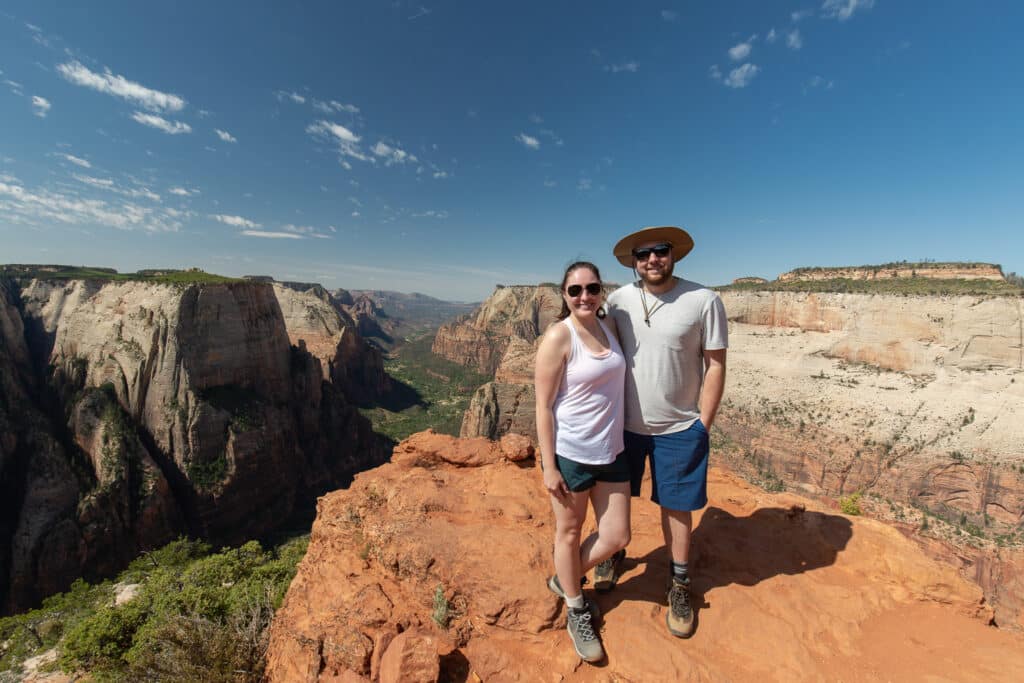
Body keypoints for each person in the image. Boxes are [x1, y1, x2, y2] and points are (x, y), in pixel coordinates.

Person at [603, 225, 728, 639]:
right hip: (623, 423)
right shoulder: (618, 300)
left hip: (679, 427)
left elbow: (716, 365)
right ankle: (612, 552)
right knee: (613, 496)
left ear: (673, 254)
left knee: (677, 506)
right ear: (633, 260)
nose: (652, 259)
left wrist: (702, 426)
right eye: (643, 254)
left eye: (660, 251)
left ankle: (679, 583)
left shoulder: (703, 300)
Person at [535, 261, 631, 663]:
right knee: (569, 533)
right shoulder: (560, 336)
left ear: (601, 291)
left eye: (592, 288)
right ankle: (576, 608)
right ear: (564, 295)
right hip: (572, 455)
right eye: (575, 291)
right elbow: (542, 406)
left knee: (617, 536)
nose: (584, 296)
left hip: (612, 452)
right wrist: (548, 466)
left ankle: (565, 578)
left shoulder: (609, 326)